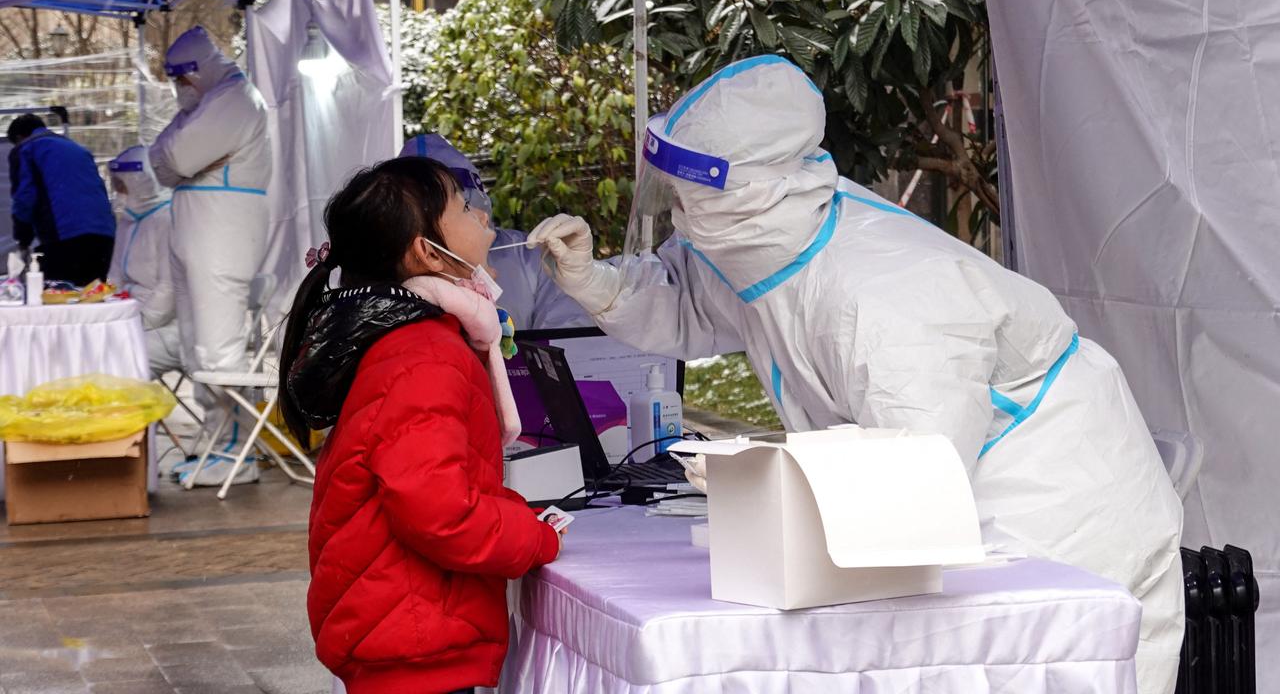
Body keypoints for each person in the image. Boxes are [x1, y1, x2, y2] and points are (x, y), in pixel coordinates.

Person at [529, 55, 1184, 694]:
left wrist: (770, 490)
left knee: (1007, 662)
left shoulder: (885, 298)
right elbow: (691, 300)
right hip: (955, 491)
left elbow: (918, 482)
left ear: (752, 192)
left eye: (690, 197)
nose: (679, 216)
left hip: (1059, 502)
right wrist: (596, 282)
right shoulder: (756, 235)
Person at [277, 157, 561, 694]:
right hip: (412, 635)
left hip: (402, 621)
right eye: (461, 207)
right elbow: (438, 511)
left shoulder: (410, 336)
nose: (481, 216)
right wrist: (534, 537)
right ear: (428, 253)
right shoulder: (424, 354)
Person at [150, 25, 272, 487]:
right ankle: (214, 439)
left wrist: (181, 163)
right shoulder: (209, 102)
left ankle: (235, 450)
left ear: (200, 71)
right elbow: (160, 159)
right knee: (195, 343)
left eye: (184, 79)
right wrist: (179, 161)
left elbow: (175, 161)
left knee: (218, 351)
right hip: (200, 230)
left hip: (222, 233)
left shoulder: (235, 100)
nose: (180, 90)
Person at [399, 133, 590, 330]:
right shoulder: (415, 332)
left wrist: (591, 280)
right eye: (465, 208)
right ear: (428, 251)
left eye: (473, 204)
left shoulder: (532, 255)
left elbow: (567, 335)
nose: (483, 218)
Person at [7, 113, 115, 285]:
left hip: (66, 237)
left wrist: (23, 239)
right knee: (91, 298)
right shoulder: (77, 148)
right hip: (105, 235)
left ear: (19, 137)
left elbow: (24, 198)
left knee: (58, 300)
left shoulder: (26, 148)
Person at [107, 146, 181, 380]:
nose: (118, 190)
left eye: (122, 184)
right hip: (129, 318)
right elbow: (114, 278)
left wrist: (137, 322)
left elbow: (168, 290)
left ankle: (127, 416)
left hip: (168, 327)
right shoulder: (127, 222)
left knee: (113, 355)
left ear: (140, 182)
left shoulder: (169, 219)